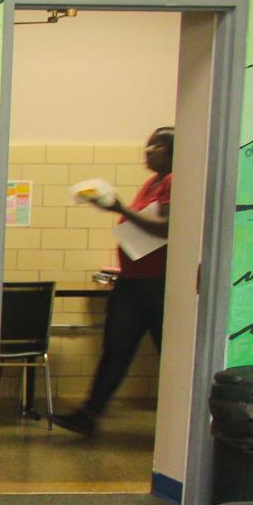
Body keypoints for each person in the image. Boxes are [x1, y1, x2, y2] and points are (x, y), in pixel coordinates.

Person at [53, 127, 173, 437]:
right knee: (115, 350)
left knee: (170, 354)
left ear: (176, 152)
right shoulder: (153, 182)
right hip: (133, 283)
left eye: (158, 146)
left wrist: (120, 208)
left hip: (157, 286)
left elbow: (166, 229)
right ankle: (89, 414)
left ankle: (183, 423)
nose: (149, 150)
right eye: (148, 145)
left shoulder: (175, 182)